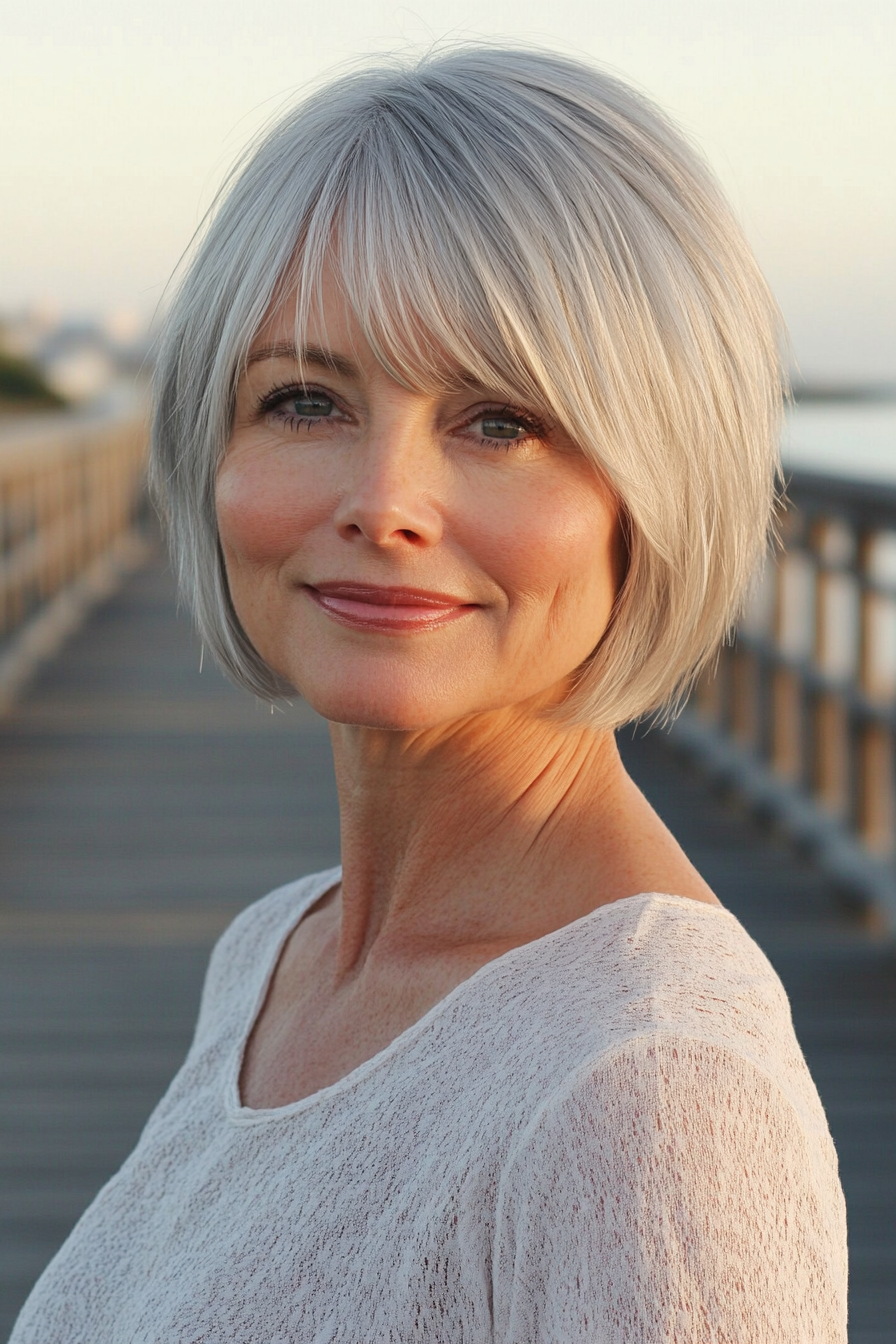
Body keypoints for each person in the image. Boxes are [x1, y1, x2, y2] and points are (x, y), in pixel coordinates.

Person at [11, 44, 847, 1343]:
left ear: (655, 483)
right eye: (304, 398)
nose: (385, 501)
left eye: (500, 420)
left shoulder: (652, 1097)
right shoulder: (277, 954)